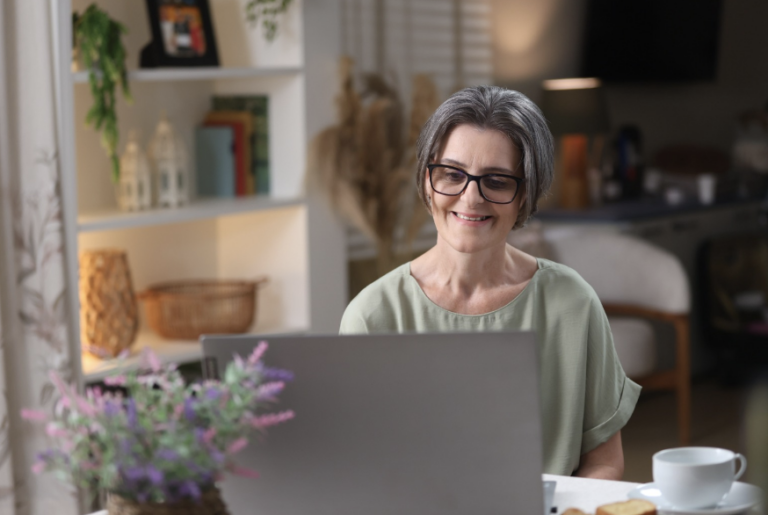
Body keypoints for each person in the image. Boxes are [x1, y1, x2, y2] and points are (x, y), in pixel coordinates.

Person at [339, 85, 641, 480]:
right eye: (451, 174)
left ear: (525, 194)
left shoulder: (572, 303)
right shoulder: (373, 315)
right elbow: (357, 472)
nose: (470, 198)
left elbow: (603, 462)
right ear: (428, 182)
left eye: (496, 181)